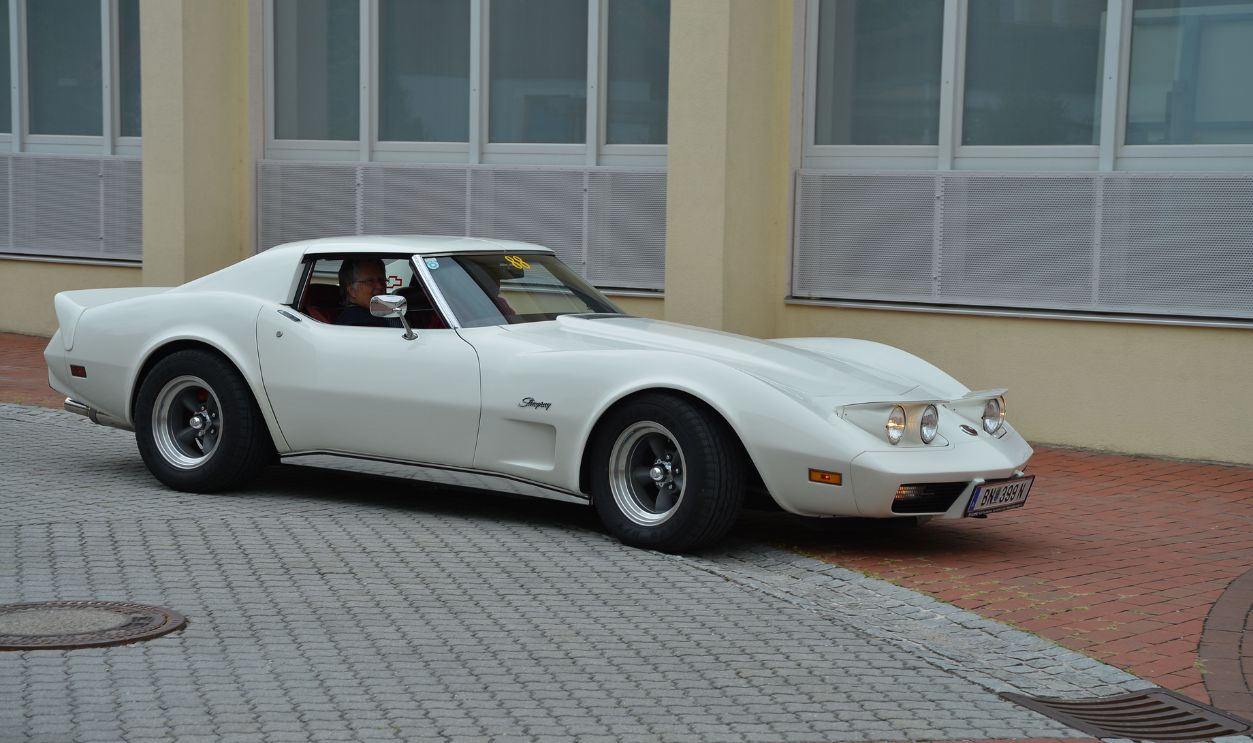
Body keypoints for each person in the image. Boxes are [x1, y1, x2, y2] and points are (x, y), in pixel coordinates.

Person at [335, 258, 403, 328]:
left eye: (382, 280)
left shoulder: (381, 312)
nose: (380, 286)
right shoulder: (359, 323)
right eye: (370, 282)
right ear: (352, 291)